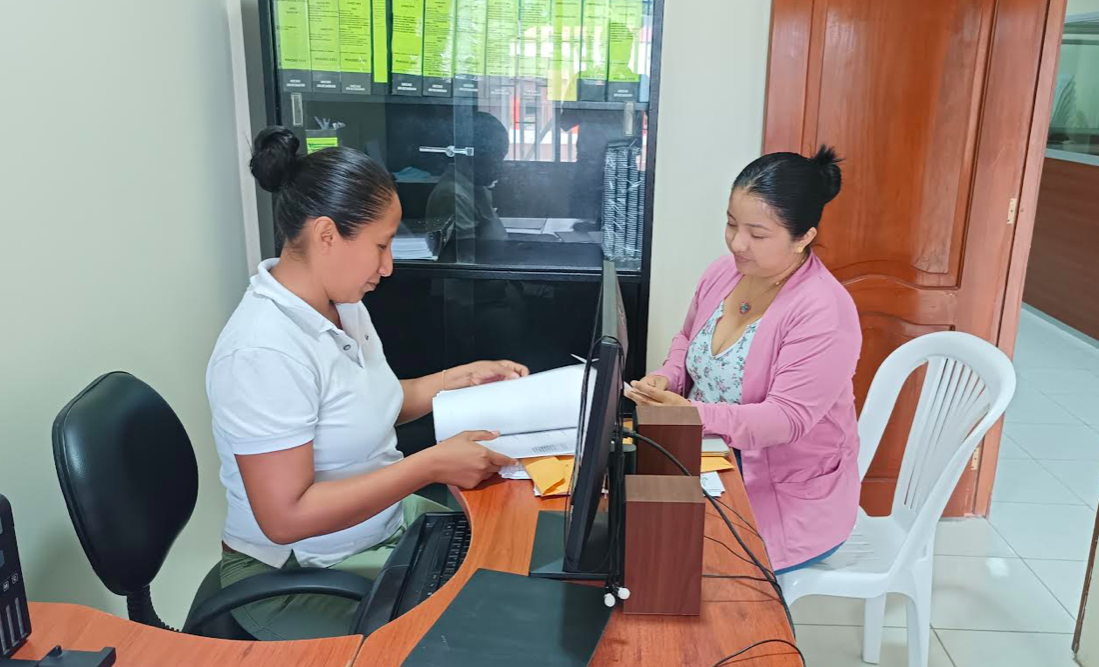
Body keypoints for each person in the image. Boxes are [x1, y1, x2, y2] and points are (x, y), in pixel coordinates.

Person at [208, 126, 528, 640]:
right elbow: (285, 518)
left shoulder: (343, 306)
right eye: (381, 245)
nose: (389, 265)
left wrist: (462, 378)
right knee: (477, 635)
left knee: (512, 561)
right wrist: (429, 465)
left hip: (382, 530)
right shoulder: (263, 350)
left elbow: (371, 407)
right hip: (298, 573)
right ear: (326, 235)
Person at [626, 146, 862, 575]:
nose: (737, 242)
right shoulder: (724, 272)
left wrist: (692, 415)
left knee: (674, 567)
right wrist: (666, 378)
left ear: (803, 237)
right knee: (631, 537)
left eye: (757, 233)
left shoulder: (824, 311)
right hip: (709, 461)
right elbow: (687, 340)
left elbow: (785, 420)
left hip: (784, 504)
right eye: (732, 224)